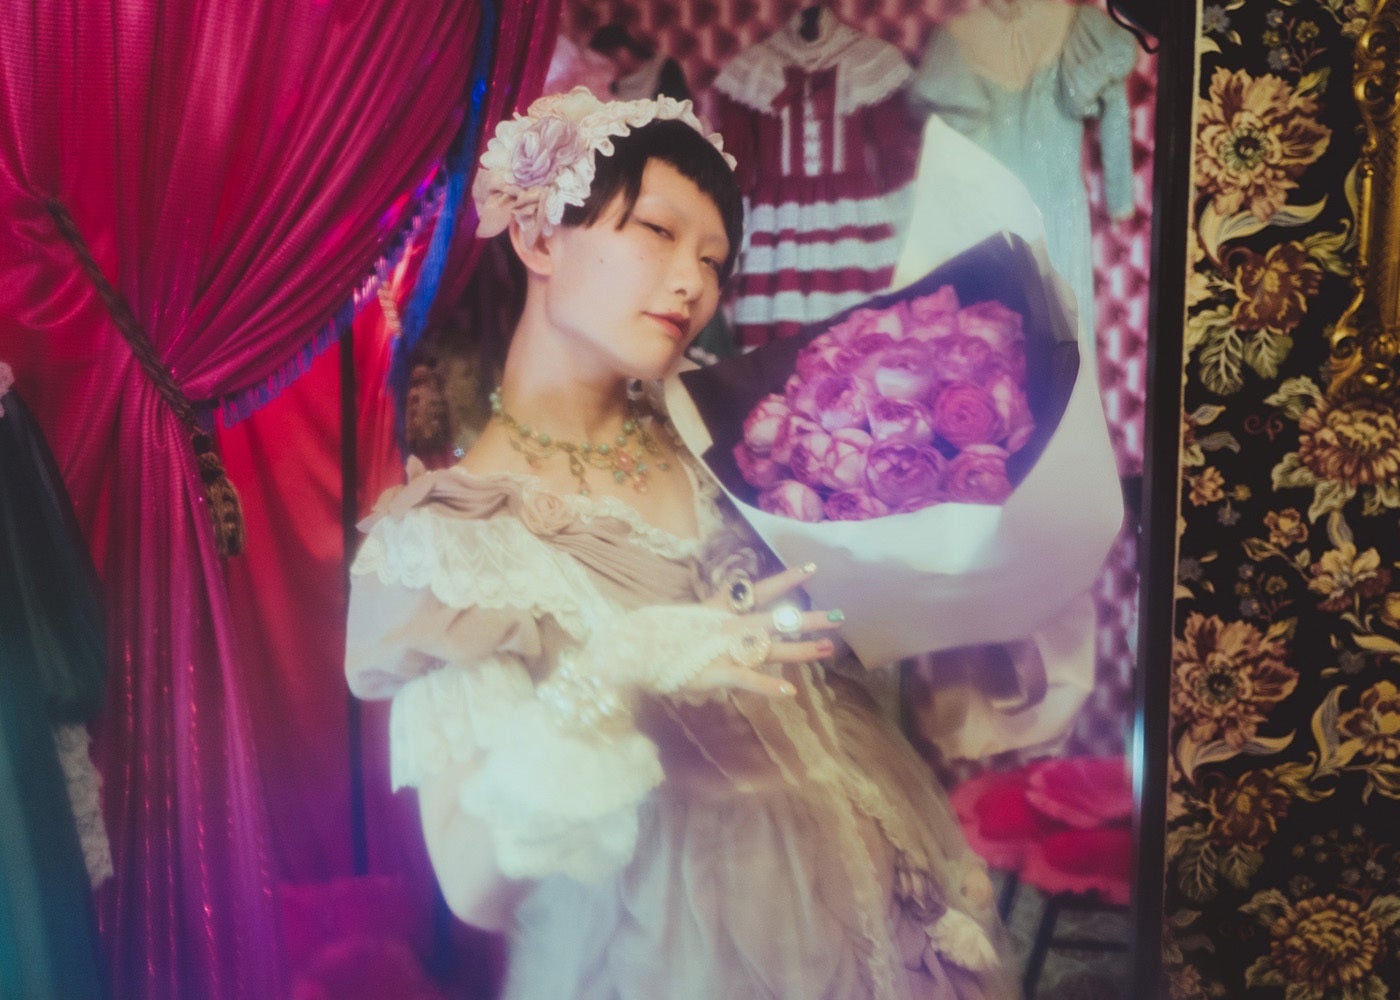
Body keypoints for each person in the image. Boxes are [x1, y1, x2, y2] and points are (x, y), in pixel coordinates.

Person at [345, 87, 1016, 999]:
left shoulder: (722, 426)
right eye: (658, 232)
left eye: (712, 259)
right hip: (678, 950)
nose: (693, 281)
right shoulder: (445, 542)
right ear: (538, 238)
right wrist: (606, 676)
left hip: (871, 886)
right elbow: (474, 887)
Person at [587, 23, 691, 102]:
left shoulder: (665, 67)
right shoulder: (609, 82)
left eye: (606, 59)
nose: (602, 66)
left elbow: (677, 108)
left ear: (622, 51)